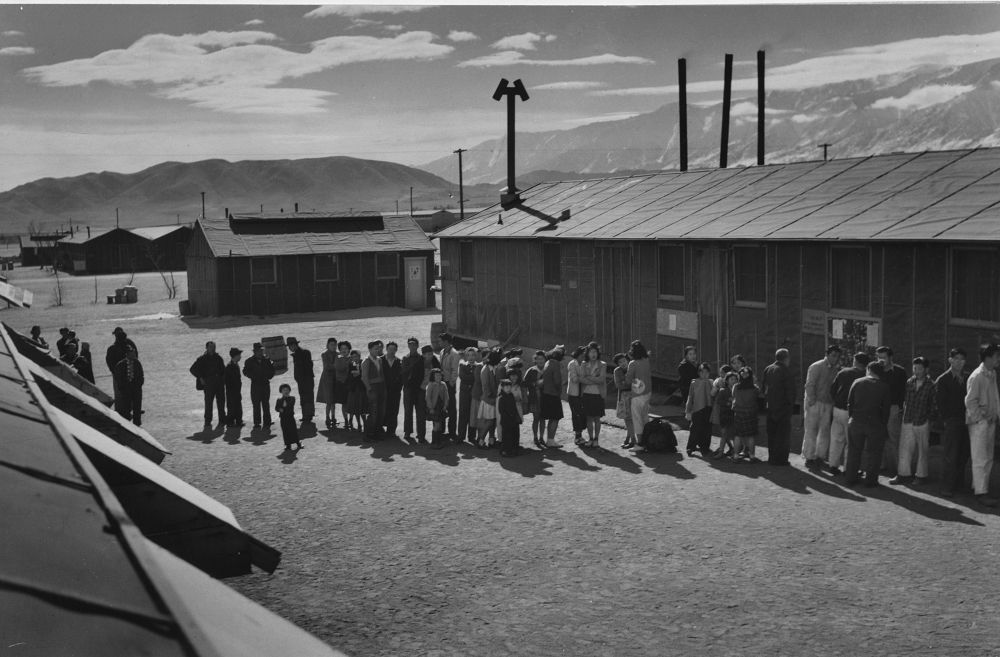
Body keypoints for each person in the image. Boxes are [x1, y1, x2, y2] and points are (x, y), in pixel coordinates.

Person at [845, 361, 892, 488]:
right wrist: (883, 424)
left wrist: (852, 417)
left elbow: (850, 403)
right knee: (874, 453)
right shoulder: (884, 387)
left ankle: (851, 478)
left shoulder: (857, 382)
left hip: (856, 421)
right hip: (875, 424)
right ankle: (870, 480)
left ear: (869, 370)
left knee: (854, 451)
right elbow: (886, 409)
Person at [890, 357, 936, 486]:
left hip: (922, 420)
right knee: (904, 448)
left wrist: (930, 420)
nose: (916, 371)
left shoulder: (931, 385)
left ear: (926, 369)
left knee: (923, 449)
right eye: (914, 368)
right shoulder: (910, 382)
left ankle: (921, 476)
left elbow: (933, 404)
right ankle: (903, 474)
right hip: (908, 419)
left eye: (920, 368)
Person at [965, 343, 1000, 508]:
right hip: (980, 423)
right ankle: (981, 494)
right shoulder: (977, 376)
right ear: (988, 358)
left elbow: (995, 397)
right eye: (996, 356)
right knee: (980, 458)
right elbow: (970, 401)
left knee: (988, 458)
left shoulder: (992, 373)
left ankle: (979, 488)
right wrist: (980, 420)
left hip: (990, 422)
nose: (998, 359)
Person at [936, 348, 970, 498]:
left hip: (967, 421)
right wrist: (947, 419)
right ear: (950, 360)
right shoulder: (943, 379)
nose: (959, 362)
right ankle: (946, 486)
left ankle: (959, 484)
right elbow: (939, 403)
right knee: (950, 453)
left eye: (962, 359)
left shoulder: (969, 378)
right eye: (956, 358)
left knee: (963, 453)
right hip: (952, 421)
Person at [829, 353, 870, 475]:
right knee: (850, 442)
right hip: (851, 412)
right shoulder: (864, 376)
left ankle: (833, 465)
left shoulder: (844, 371)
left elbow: (832, 389)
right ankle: (848, 469)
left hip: (837, 409)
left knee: (836, 439)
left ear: (856, 362)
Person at [803, 345, 842, 468]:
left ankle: (820, 456)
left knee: (824, 432)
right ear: (827, 354)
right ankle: (809, 457)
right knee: (811, 431)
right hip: (815, 403)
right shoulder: (817, 366)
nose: (835, 358)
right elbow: (809, 385)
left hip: (827, 404)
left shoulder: (835, 369)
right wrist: (812, 401)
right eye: (833, 355)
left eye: (838, 356)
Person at [876, 346, 908, 476]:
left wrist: (901, 408)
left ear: (891, 358)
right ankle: (882, 464)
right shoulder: (875, 370)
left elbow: (904, 391)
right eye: (878, 357)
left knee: (895, 439)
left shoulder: (899, 371)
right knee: (878, 437)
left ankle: (900, 468)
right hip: (877, 407)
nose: (881, 360)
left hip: (893, 408)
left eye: (883, 357)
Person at [761, 349, 796, 466]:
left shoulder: (768, 369)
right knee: (783, 436)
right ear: (786, 359)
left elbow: (763, 388)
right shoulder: (786, 371)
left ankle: (772, 458)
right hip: (783, 409)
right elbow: (791, 392)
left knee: (772, 434)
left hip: (770, 408)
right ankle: (781, 460)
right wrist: (790, 405)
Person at [190, 341, 226, 429]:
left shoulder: (218, 358)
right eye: (210, 347)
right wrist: (200, 378)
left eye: (213, 347)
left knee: (221, 402)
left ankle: (222, 420)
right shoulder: (202, 359)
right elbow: (193, 369)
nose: (212, 349)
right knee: (209, 402)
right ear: (206, 348)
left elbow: (223, 370)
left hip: (219, 382)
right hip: (208, 382)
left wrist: (223, 381)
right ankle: (207, 421)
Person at [409, 345, 439, 444]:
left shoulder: (435, 362)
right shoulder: (418, 365)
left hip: (434, 392)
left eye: (431, 354)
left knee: (436, 413)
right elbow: (413, 381)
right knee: (421, 415)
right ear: (423, 355)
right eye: (428, 354)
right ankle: (421, 436)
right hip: (422, 392)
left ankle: (436, 436)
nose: (430, 356)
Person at [579, 343, 607, 449]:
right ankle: (590, 438)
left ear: (598, 353)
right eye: (591, 352)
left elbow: (601, 379)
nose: (593, 354)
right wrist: (593, 379)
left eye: (595, 351)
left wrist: (589, 377)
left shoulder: (602, 364)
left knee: (597, 418)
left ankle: (596, 439)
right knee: (588, 418)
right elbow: (581, 379)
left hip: (598, 394)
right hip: (586, 394)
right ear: (588, 353)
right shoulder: (584, 364)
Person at [626, 341, 653, 454]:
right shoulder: (646, 361)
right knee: (645, 417)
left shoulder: (632, 363)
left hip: (637, 394)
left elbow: (628, 380)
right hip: (647, 392)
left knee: (637, 419)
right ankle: (647, 441)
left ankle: (640, 443)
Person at [731, 366, 761, 463]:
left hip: (739, 413)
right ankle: (752, 457)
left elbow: (733, 396)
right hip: (751, 413)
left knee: (738, 435)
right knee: (751, 436)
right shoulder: (755, 388)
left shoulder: (736, 387)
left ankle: (735, 456)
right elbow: (757, 395)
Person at [243, 342, 275, 429]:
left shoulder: (267, 360)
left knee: (266, 403)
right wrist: (252, 376)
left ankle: (267, 421)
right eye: (258, 351)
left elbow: (272, 369)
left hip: (265, 384)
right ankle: (257, 422)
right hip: (255, 385)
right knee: (256, 404)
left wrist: (269, 376)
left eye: (261, 351)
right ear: (254, 352)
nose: (260, 353)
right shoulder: (249, 361)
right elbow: (245, 371)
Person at [685, 362, 715, 456]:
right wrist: (688, 410)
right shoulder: (694, 383)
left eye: (707, 372)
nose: (704, 374)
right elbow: (690, 397)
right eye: (702, 372)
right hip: (697, 409)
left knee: (707, 429)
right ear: (699, 373)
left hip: (708, 408)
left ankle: (704, 447)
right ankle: (691, 447)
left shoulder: (711, 382)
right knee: (695, 428)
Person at [539, 346, 565, 448]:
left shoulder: (547, 362)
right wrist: (559, 390)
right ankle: (550, 440)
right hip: (553, 394)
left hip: (546, 393)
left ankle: (549, 439)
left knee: (551, 418)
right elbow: (557, 381)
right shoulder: (556, 364)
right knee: (555, 418)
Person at [361, 340, 387, 441]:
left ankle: (377, 432)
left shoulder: (379, 360)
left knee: (381, 410)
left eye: (378, 348)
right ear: (370, 349)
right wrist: (369, 389)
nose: (377, 350)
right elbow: (364, 377)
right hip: (373, 388)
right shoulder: (366, 361)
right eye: (375, 349)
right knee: (373, 411)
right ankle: (368, 434)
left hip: (381, 387)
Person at [477, 348, 502, 448]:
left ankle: (491, 440)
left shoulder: (493, 368)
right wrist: (492, 395)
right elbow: (486, 385)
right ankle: (481, 441)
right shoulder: (486, 370)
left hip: (493, 399)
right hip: (488, 400)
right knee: (489, 421)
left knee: (493, 420)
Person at [113, 345, 144, 426]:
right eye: (131, 354)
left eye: (134, 354)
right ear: (127, 355)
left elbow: (141, 374)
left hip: (136, 387)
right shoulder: (120, 365)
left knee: (137, 405)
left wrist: (139, 384)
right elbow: (117, 377)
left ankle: (137, 423)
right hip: (126, 388)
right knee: (126, 406)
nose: (133, 356)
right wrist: (122, 386)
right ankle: (126, 423)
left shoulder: (137, 363)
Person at [438, 333, 461, 440]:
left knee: (451, 408)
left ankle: (452, 431)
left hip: (449, 384)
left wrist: (451, 384)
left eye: (440, 341)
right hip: (442, 383)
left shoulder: (454, 354)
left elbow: (455, 371)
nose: (439, 343)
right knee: (442, 406)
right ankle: (442, 430)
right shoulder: (442, 352)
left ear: (446, 341)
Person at [286, 337, 314, 425]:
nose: (289, 349)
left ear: (293, 345)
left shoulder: (304, 353)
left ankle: (308, 415)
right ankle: (305, 414)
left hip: (306, 379)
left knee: (307, 396)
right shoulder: (297, 354)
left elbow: (307, 367)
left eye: (289, 346)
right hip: (301, 380)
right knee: (303, 396)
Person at [713, 371, 739, 460]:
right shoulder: (723, 390)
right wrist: (727, 402)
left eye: (735, 379)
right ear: (727, 380)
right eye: (732, 379)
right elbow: (718, 401)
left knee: (734, 434)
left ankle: (734, 452)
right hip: (724, 414)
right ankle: (721, 452)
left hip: (734, 414)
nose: (734, 381)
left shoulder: (737, 390)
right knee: (724, 433)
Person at [106, 327, 137, 401]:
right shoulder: (129, 346)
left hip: (117, 373)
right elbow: (135, 356)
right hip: (129, 372)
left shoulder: (111, 348)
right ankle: (131, 407)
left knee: (118, 392)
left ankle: (120, 409)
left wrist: (113, 371)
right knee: (130, 391)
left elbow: (109, 361)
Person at [400, 338, 422, 442]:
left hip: (418, 388)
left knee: (420, 410)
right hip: (408, 388)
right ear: (408, 346)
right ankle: (407, 431)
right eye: (410, 345)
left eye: (414, 345)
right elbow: (404, 370)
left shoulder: (421, 358)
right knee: (408, 410)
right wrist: (415, 367)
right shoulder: (405, 358)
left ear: (418, 346)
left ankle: (420, 433)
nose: (412, 347)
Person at [613, 353, 636, 450]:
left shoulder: (632, 368)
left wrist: (626, 383)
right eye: (620, 362)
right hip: (623, 396)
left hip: (634, 396)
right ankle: (630, 438)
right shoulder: (617, 371)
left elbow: (637, 383)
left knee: (631, 418)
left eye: (624, 361)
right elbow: (619, 385)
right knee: (627, 419)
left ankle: (632, 439)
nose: (623, 363)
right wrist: (628, 384)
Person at [566, 346, 588, 446]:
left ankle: (580, 434)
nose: (583, 357)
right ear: (577, 354)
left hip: (582, 393)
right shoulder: (572, 364)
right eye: (582, 355)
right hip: (574, 393)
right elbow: (574, 378)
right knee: (576, 414)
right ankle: (577, 436)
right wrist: (586, 378)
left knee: (583, 414)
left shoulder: (584, 364)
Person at [382, 341, 403, 438]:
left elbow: (401, 377)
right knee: (382, 410)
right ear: (386, 349)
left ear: (396, 350)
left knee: (394, 411)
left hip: (395, 392)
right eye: (390, 349)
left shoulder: (399, 362)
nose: (391, 351)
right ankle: (380, 429)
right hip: (383, 391)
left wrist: (398, 388)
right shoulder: (381, 361)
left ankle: (391, 431)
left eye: (393, 349)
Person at [457, 347, 479, 443]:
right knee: (463, 413)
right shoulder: (462, 365)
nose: (471, 358)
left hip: (473, 393)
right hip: (464, 393)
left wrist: (470, 378)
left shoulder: (478, 366)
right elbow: (462, 377)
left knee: (473, 413)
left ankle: (472, 436)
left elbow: (477, 378)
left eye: (473, 355)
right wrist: (472, 377)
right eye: (469, 355)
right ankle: (461, 435)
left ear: (476, 356)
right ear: (466, 356)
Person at [316, 338, 339, 429]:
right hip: (327, 378)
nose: (333, 346)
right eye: (331, 345)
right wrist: (336, 366)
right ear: (328, 345)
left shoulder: (338, 354)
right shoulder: (324, 354)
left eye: (335, 345)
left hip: (335, 378)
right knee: (328, 400)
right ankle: (327, 417)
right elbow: (327, 366)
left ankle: (333, 417)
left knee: (334, 400)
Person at [498, 378, 523, 457]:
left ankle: (513, 449)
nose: (508, 389)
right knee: (506, 436)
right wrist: (508, 418)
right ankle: (505, 451)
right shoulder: (501, 398)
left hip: (513, 419)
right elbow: (501, 411)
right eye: (506, 387)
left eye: (509, 387)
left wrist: (517, 416)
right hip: (506, 420)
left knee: (514, 435)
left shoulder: (511, 395)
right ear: (502, 388)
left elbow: (514, 407)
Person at [425, 368, 449, 449]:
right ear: (433, 376)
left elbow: (446, 396)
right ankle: (434, 442)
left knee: (440, 425)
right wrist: (431, 408)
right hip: (434, 407)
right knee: (437, 425)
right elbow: (428, 397)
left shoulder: (443, 384)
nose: (438, 377)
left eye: (440, 375)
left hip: (441, 407)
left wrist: (445, 406)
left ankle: (438, 441)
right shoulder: (431, 385)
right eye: (436, 376)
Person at [345, 349, 368, 431]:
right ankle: (359, 424)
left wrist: (357, 373)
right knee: (355, 408)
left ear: (359, 356)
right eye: (353, 357)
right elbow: (349, 375)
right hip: (354, 388)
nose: (355, 358)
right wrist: (356, 374)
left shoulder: (363, 363)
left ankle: (365, 424)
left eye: (356, 356)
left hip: (362, 388)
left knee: (362, 407)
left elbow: (365, 374)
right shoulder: (350, 364)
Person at [275, 383, 302, 451]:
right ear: (281, 391)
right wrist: (280, 409)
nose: (285, 391)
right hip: (283, 418)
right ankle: (288, 445)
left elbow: (290, 406)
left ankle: (298, 443)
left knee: (293, 430)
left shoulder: (292, 398)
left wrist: (285, 405)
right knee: (285, 431)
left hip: (290, 417)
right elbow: (276, 408)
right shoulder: (279, 400)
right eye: (283, 390)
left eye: (287, 390)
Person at [334, 341, 353, 428]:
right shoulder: (337, 358)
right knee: (344, 403)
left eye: (345, 348)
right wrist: (346, 364)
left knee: (352, 402)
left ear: (349, 349)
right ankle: (345, 420)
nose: (344, 350)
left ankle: (351, 420)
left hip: (350, 383)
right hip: (341, 383)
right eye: (341, 349)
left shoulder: (353, 358)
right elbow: (339, 369)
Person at [225, 347, 244, 427]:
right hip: (232, 391)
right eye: (239, 355)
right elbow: (227, 379)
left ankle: (238, 421)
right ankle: (230, 422)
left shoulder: (235, 364)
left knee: (237, 405)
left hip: (236, 390)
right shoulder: (230, 366)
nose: (240, 356)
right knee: (232, 406)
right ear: (235, 356)